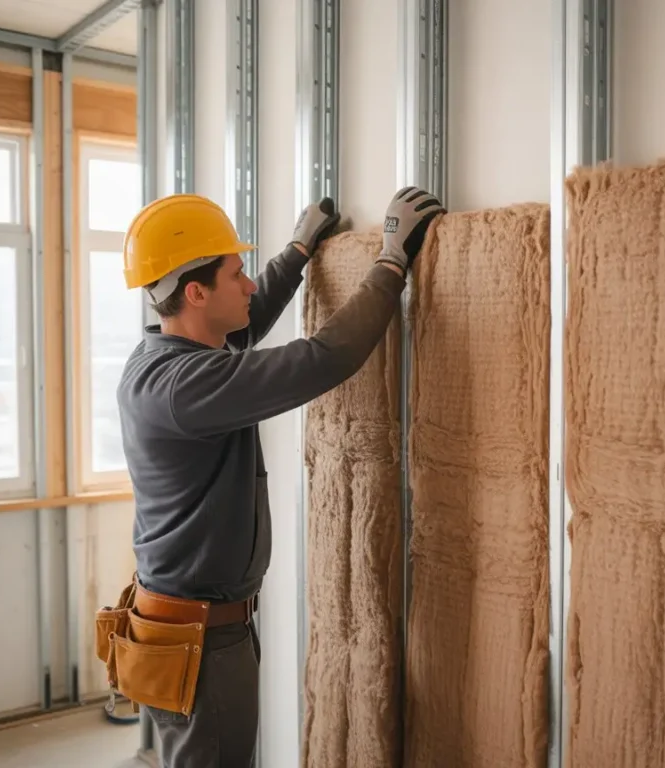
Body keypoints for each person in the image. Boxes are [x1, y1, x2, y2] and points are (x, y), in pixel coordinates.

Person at [108, 186, 444, 767]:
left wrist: (297, 249)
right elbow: (319, 359)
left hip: (192, 628)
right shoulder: (185, 388)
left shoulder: (167, 357)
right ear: (194, 292)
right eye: (236, 273)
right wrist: (392, 261)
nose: (249, 285)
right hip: (201, 639)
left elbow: (245, 324)